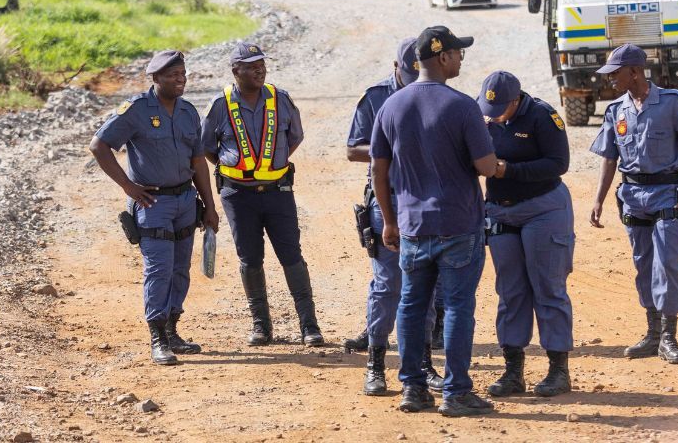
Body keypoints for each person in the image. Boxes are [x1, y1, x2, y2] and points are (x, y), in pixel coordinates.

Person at [370, 25, 498, 417]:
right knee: (458, 306)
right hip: (458, 223)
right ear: (442, 57)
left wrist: (389, 222)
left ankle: (413, 389)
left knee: (411, 304)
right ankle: (456, 391)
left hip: (411, 226)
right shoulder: (462, 106)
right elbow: (487, 167)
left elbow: (378, 167)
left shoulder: (392, 105)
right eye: (458, 52)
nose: (461, 58)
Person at [90, 50, 220, 366]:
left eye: (183, 74)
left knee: (180, 269)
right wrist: (128, 186)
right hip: (153, 203)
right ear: (156, 78)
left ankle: (173, 330)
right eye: (173, 75)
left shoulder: (189, 112)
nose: (180, 80)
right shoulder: (135, 110)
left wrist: (210, 206)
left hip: (185, 201)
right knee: (158, 269)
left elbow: (197, 161)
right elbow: (100, 145)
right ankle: (157, 337)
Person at [589, 44, 678, 365]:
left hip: (668, 194)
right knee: (643, 264)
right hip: (633, 198)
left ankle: (669, 336)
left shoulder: (669, 103)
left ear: (635, 72)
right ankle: (652, 333)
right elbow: (610, 158)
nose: (610, 79)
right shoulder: (616, 110)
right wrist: (598, 198)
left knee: (667, 262)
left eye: (616, 73)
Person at [202, 42, 324, 346]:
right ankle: (261, 326)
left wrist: (270, 164)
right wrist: (241, 169)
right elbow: (206, 148)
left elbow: (295, 136)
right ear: (235, 71)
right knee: (250, 258)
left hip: (278, 192)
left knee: (291, 255)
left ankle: (309, 325)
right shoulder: (220, 104)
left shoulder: (281, 99)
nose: (260, 69)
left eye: (262, 64)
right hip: (238, 196)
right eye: (251, 65)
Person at [345, 38, 443, 396]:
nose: (412, 79)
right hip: (386, 200)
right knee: (387, 286)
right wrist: (392, 149)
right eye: (406, 74)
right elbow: (352, 149)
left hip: (424, 201)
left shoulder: (434, 91)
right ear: (395, 67)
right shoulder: (376, 97)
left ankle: (423, 362)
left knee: (425, 284)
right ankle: (375, 362)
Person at [477, 71, 574, 398]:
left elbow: (559, 163)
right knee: (510, 290)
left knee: (548, 286)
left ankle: (558, 370)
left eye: (502, 108)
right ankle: (513, 371)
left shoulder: (542, 116)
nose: (495, 114)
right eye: (491, 109)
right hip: (501, 212)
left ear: (517, 100)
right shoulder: (485, 118)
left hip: (542, 208)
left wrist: (509, 170)